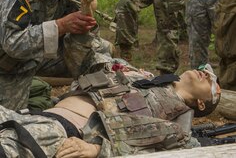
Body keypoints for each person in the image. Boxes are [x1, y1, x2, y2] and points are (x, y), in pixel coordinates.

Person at [0, 58, 221, 158]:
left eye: (213, 83)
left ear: (202, 103)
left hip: (56, 133)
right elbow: (86, 58)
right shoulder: (138, 75)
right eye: (206, 70)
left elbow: (160, 149)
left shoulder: (177, 125)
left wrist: (98, 149)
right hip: (30, 116)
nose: (207, 73)